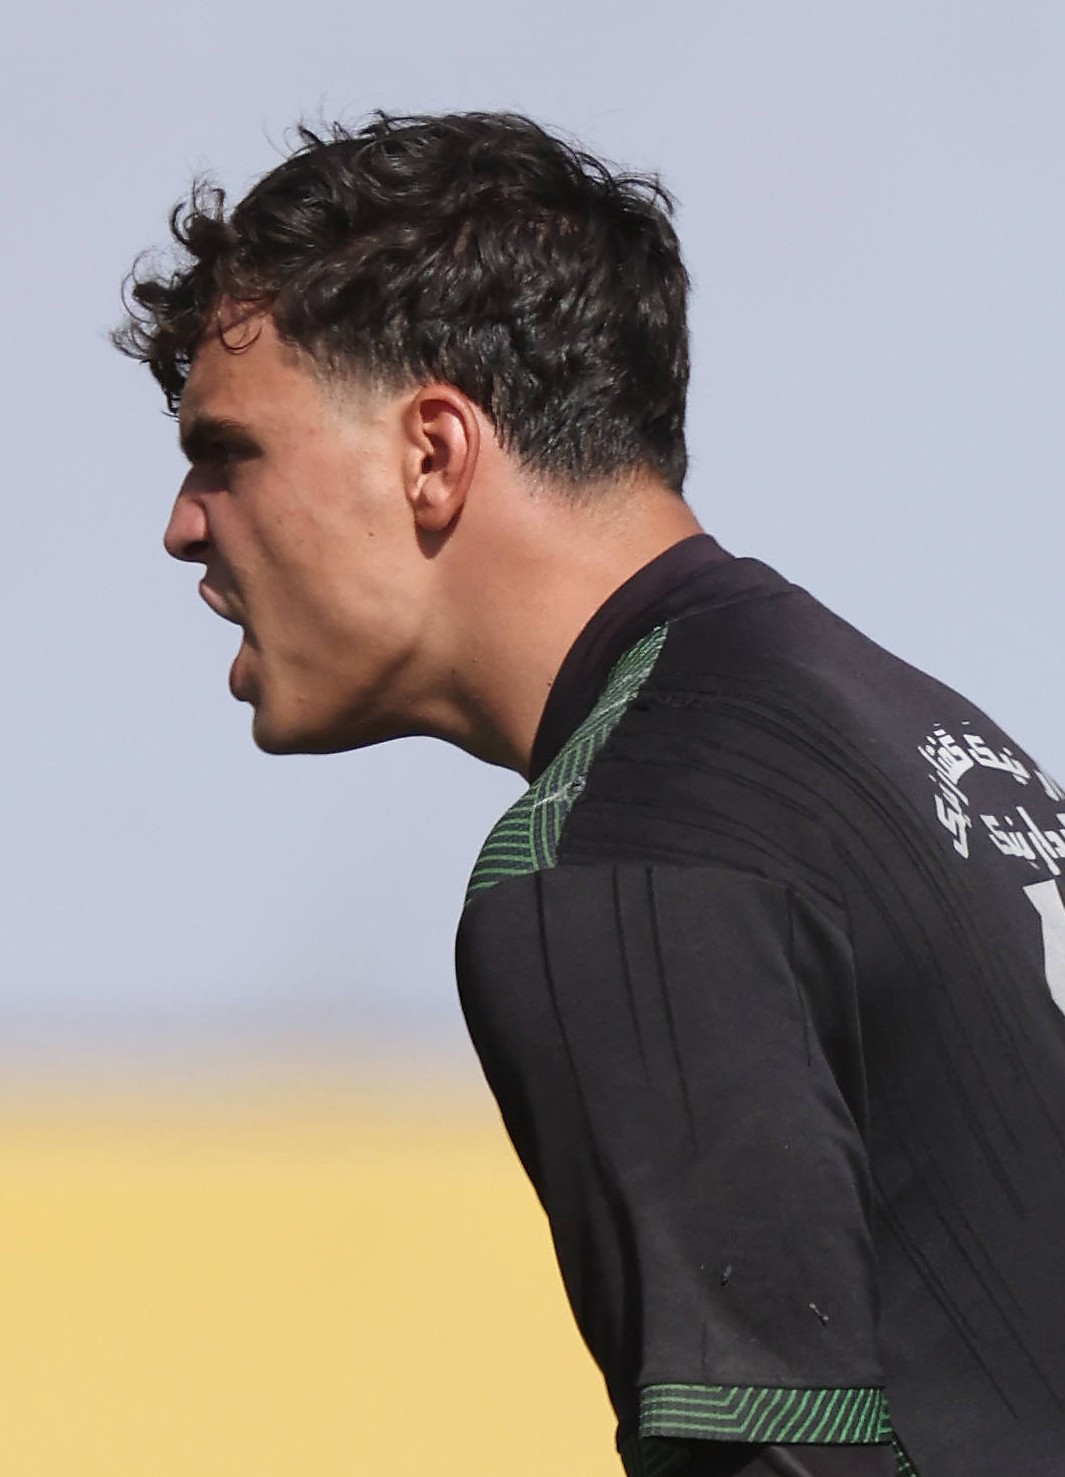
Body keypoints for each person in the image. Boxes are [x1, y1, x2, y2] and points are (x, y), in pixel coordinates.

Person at [115, 112, 1065, 1477]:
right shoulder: (898, 728)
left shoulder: (629, 856)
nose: (182, 524)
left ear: (432, 454)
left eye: (227, 451)